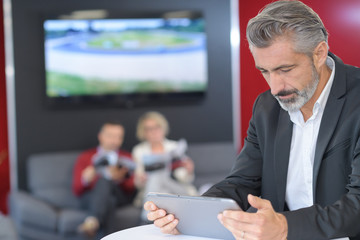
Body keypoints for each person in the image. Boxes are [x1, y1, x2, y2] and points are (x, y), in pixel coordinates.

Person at [144, 1, 360, 239]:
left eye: (285, 69)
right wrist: (189, 213)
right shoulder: (266, 107)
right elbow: (243, 181)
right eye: (264, 71)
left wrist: (285, 226)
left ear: (318, 53)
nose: (275, 88)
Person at [72, 121, 136, 237]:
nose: (114, 140)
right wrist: (86, 179)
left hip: (120, 195)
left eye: (118, 137)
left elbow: (131, 188)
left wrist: (119, 179)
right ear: (100, 136)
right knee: (109, 201)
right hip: (92, 197)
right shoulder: (86, 157)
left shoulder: (127, 157)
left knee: (105, 182)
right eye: (110, 136)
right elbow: (77, 190)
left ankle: (92, 221)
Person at [132, 111, 198, 220]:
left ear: (163, 128)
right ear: (143, 132)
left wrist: (189, 170)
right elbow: (138, 184)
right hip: (154, 191)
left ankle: (146, 219)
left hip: (177, 189)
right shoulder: (139, 151)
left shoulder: (174, 147)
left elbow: (184, 178)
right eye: (149, 129)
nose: (154, 132)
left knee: (159, 178)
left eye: (156, 127)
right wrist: (140, 179)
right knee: (157, 182)